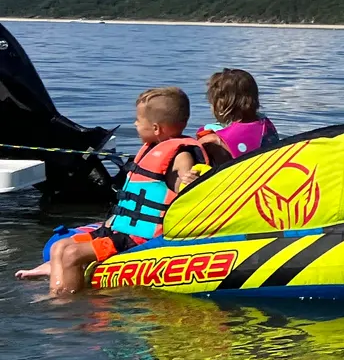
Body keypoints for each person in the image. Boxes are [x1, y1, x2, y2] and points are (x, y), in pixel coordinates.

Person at [14, 87, 209, 295]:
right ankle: (60, 282)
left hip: (138, 238)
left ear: (155, 128)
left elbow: (184, 189)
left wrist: (189, 180)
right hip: (119, 230)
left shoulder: (181, 156)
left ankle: (62, 302)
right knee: (59, 247)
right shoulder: (152, 149)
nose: (134, 124)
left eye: (138, 120)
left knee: (71, 254)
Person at [197, 67, 278, 162]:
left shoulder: (221, 136)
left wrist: (217, 141)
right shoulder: (264, 123)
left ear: (223, 105)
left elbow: (243, 162)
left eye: (212, 102)